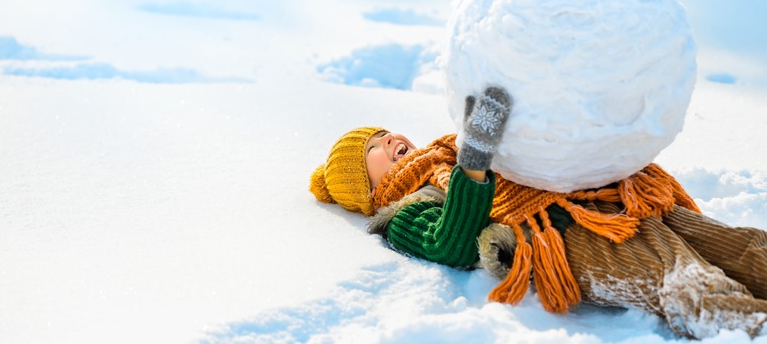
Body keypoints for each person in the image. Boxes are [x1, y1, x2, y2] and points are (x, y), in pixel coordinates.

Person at [309, 86, 767, 339]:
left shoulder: (449, 151)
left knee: (744, 246)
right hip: (566, 236)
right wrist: (475, 163)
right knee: (685, 280)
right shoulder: (405, 211)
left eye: (385, 133)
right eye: (374, 147)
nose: (388, 140)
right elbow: (449, 245)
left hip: (612, 200)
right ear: (365, 189)